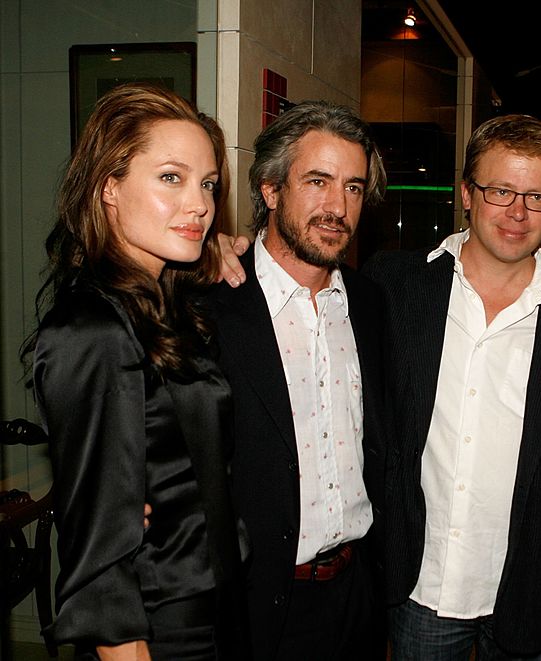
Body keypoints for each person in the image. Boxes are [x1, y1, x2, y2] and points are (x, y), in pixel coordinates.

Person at [29, 83, 246, 659]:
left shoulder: (159, 306)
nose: (198, 204)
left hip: (211, 606)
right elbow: (99, 559)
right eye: (171, 178)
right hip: (153, 627)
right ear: (109, 187)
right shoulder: (94, 330)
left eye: (207, 184)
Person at [361, 114, 541, 660]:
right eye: (501, 190)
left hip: (528, 588)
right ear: (466, 193)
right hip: (421, 585)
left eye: (537, 196)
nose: (517, 213)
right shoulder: (393, 284)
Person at [206, 101, 389, 659]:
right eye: (318, 181)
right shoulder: (210, 307)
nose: (338, 207)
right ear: (270, 190)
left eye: (354, 188)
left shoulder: (369, 302)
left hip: (357, 595)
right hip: (259, 605)